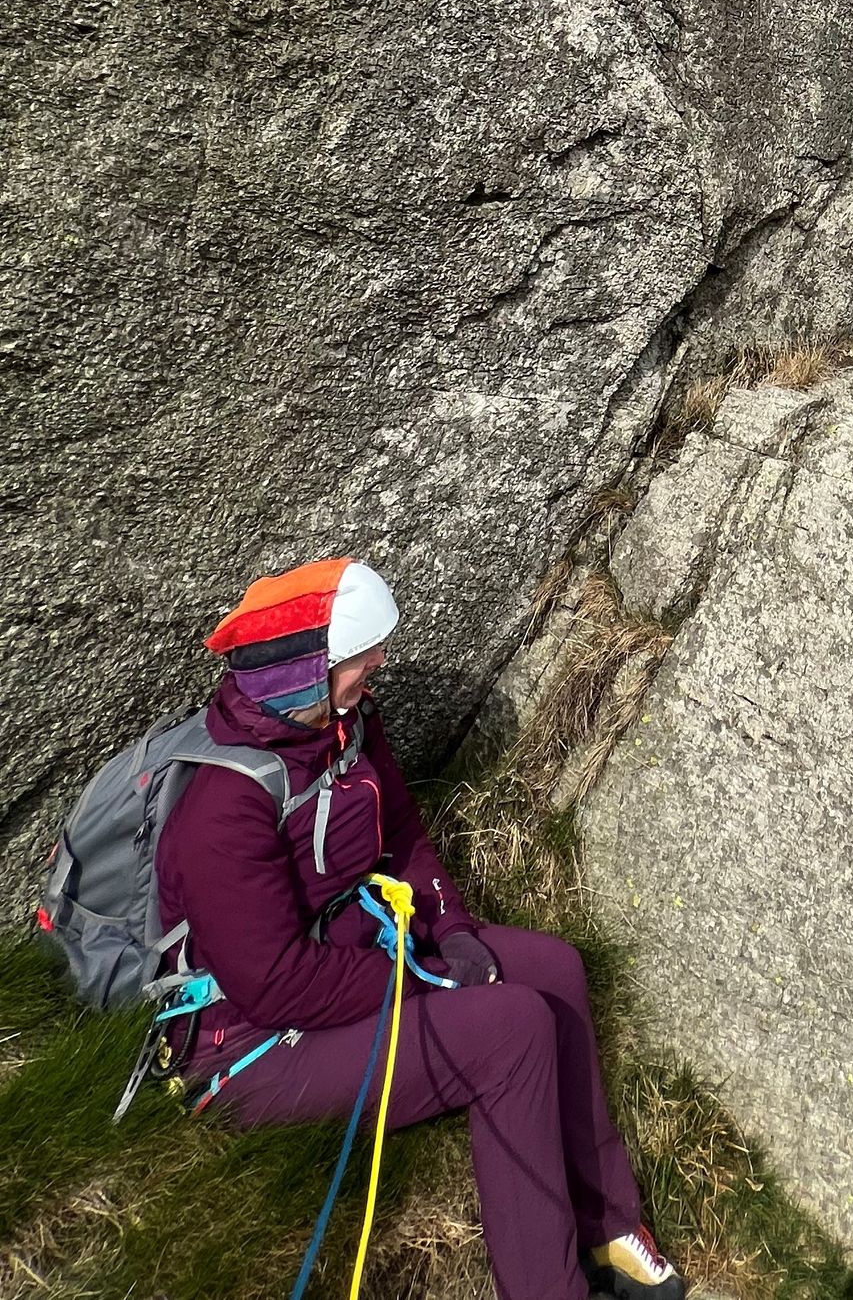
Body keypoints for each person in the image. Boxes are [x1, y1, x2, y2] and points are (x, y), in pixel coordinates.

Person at [155, 557, 685, 1300]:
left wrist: (456, 931)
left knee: (557, 970)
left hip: (358, 955)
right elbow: (273, 984)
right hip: (251, 1051)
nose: (379, 663)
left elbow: (400, 833)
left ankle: (606, 1225)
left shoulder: (345, 727)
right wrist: (421, 979)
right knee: (513, 1030)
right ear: (306, 669)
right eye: (362, 653)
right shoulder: (222, 806)